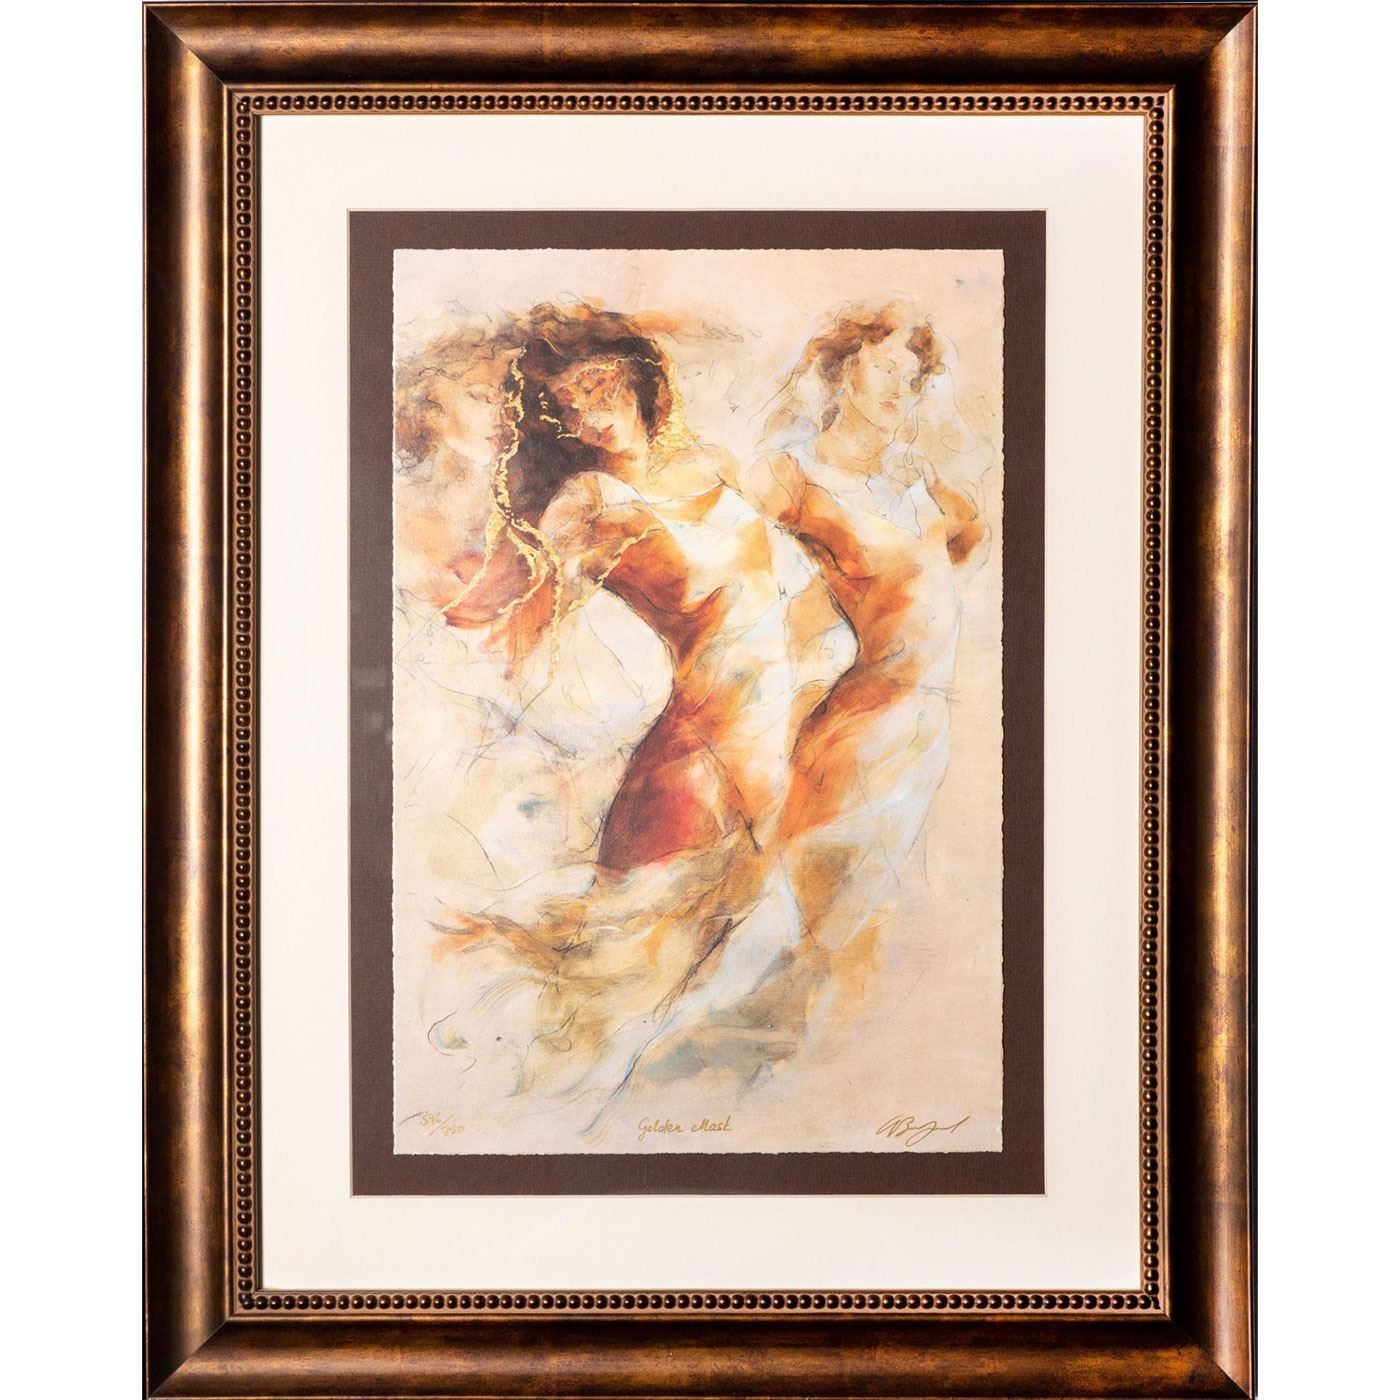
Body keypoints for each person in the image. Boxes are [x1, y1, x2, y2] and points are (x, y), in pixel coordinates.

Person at [738, 303, 993, 957]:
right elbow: (755, 598)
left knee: (864, 941)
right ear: (841, 371)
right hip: (857, 735)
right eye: (883, 368)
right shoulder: (792, 478)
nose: (898, 389)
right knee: (810, 940)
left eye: (911, 378)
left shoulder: (923, 486)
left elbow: (964, 548)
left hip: (921, 738)